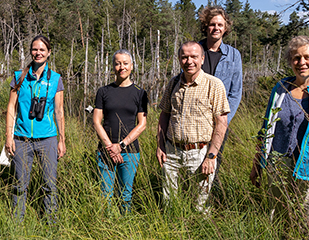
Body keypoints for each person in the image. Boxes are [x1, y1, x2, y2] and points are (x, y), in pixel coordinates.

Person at [250, 36, 309, 239]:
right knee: (276, 224)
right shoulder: (280, 89)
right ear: (290, 61)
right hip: (278, 166)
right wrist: (258, 162)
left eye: (307, 57)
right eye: (296, 58)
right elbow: (266, 128)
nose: (301, 62)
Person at [156, 41, 230, 212]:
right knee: (169, 203)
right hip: (172, 152)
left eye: (194, 57)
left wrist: (211, 157)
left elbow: (221, 122)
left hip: (200, 152)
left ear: (202, 59)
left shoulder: (214, 84)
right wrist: (160, 146)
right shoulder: (173, 83)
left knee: (200, 205)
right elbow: (164, 115)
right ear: (179, 59)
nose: (189, 61)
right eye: (184, 57)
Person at [5, 35, 66, 222]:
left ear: (48, 53)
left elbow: (59, 111)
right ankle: (17, 222)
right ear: (30, 51)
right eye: (34, 49)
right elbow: (11, 108)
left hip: (47, 138)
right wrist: (9, 137)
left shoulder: (55, 79)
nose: (38, 53)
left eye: (42, 50)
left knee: (50, 184)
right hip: (21, 138)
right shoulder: (19, 77)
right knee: (19, 185)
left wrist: (62, 140)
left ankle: (50, 221)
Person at [92, 49, 148, 214]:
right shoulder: (103, 92)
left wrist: (121, 145)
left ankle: (125, 224)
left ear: (132, 66)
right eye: (117, 63)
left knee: (125, 194)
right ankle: (105, 225)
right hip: (105, 151)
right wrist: (110, 147)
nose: (121, 67)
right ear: (113, 67)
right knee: (105, 194)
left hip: (130, 152)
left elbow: (142, 124)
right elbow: (96, 121)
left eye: (125, 63)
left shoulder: (140, 93)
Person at [198, 6, 243, 186]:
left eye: (220, 25)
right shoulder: (195, 50)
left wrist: (223, 120)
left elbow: (235, 92)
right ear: (206, 27)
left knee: (213, 163)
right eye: (212, 24)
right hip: (196, 120)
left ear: (225, 28)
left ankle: (210, 204)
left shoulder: (233, 55)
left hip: (220, 123)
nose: (216, 28)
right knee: (192, 162)